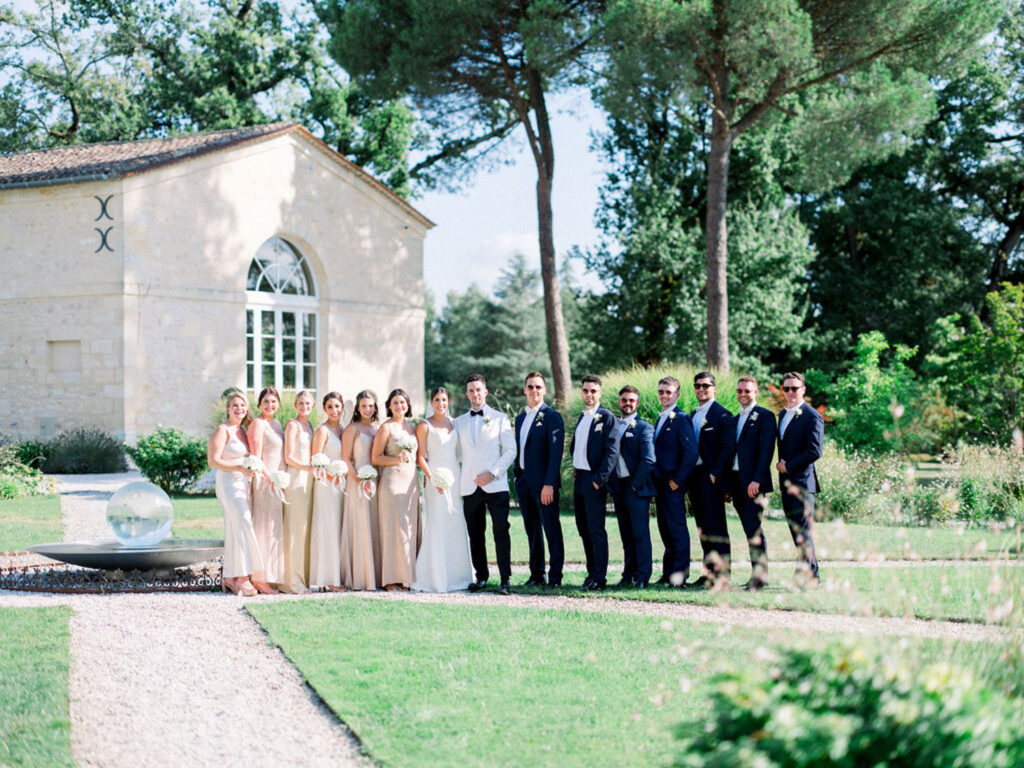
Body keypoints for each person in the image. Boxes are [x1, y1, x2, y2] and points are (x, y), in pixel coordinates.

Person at [453, 374, 516, 595]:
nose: (475, 394)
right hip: (470, 487)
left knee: (501, 532)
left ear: (485, 392)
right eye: (470, 390)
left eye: (478, 389)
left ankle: (505, 580)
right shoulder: (458, 422)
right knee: (475, 533)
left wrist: (494, 473)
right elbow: (455, 454)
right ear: (466, 393)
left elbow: (510, 450)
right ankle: (481, 577)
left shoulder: (500, 418)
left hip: (496, 486)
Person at [411, 387, 473, 593]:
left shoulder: (455, 423)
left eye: (444, 400)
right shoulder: (424, 425)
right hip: (434, 478)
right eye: (437, 400)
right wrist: (433, 479)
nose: (440, 404)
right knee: (437, 523)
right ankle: (435, 577)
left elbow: (461, 452)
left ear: (448, 402)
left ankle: (459, 576)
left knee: (455, 523)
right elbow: (420, 457)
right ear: (431, 402)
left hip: (454, 478)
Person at [513, 372, 565, 588]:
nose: (534, 390)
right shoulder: (520, 418)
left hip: (544, 485)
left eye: (538, 387)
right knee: (532, 530)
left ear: (544, 390)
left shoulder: (552, 416)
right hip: (524, 482)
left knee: (551, 530)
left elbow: (556, 454)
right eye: (530, 387)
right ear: (525, 390)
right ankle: (536, 575)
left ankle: (555, 577)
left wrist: (549, 484)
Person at [569, 374, 619, 591]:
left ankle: (600, 577)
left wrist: (599, 480)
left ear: (600, 393)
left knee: (596, 530)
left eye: (593, 391)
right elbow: (577, 446)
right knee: (583, 528)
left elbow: (612, 452)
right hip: (579, 479)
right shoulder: (582, 417)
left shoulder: (606, 418)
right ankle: (591, 574)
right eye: (585, 390)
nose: (589, 394)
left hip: (594, 480)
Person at [208, 392, 261, 596]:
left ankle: (229, 577)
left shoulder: (243, 431)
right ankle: (243, 578)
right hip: (228, 483)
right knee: (243, 523)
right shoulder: (222, 431)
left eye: (243, 405)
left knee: (234, 527)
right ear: (228, 408)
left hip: (243, 484)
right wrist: (239, 467)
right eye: (235, 405)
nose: (239, 409)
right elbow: (213, 461)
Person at [687, 372, 736, 588]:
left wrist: (715, 474)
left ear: (714, 388)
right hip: (694, 477)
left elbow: (728, 449)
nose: (701, 389)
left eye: (706, 385)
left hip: (712, 476)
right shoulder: (692, 414)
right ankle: (708, 573)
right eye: (697, 385)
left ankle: (722, 575)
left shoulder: (723, 415)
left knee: (716, 527)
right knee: (702, 526)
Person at [727, 376, 776, 590]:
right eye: (739, 391)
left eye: (747, 391)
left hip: (753, 483)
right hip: (736, 481)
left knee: (754, 529)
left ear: (755, 391)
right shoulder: (735, 417)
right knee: (748, 530)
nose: (743, 395)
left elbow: (767, 451)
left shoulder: (765, 416)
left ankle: (760, 576)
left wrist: (757, 479)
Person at [776, 372, 823, 586]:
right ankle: (807, 574)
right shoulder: (782, 414)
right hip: (786, 482)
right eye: (786, 388)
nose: (790, 392)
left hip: (803, 482)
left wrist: (788, 465)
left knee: (803, 530)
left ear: (803, 389)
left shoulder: (812, 415)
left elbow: (815, 451)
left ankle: (809, 576)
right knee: (796, 530)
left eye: (794, 388)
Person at [372, 388, 420, 591]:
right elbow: (376, 457)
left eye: (403, 402)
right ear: (389, 406)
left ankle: (406, 576)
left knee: (409, 529)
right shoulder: (386, 428)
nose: (400, 406)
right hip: (392, 484)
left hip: (411, 484)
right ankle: (391, 578)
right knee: (394, 530)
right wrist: (396, 458)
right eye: (395, 403)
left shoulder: (411, 427)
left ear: (408, 405)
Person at [652, 376, 699, 587]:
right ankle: (668, 573)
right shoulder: (659, 418)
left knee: (678, 530)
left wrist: (678, 480)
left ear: (677, 395)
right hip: (659, 484)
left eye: (668, 392)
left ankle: (679, 577)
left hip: (673, 485)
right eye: (661, 391)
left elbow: (691, 453)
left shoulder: (681, 419)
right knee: (665, 529)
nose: (664, 395)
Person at [607, 385, 656, 589]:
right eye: (624, 399)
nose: (627, 403)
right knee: (626, 534)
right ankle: (628, 574)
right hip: (619, 487)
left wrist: (635, 485)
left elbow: (648, 459)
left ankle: (643, 576)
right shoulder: (613, 426)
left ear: (637, 403)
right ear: (619, 402)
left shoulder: (644, 428)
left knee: (640, 533)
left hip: (636, 488)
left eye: (631, 400)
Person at [247, 386, 286, 593]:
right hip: (265, 482)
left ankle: (271, 574)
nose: (270, 405)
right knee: (262, 527)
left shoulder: (277, 424)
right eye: (266, 402)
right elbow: (256, 456)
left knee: (274, 528)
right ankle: (259, 577)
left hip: (278, 482)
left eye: (273, 401)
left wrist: (280, 480)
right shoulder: (257, 424)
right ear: (259, 404)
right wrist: (269, 478)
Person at [340, 390, 380, 590]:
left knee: (374, 525)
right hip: (357, 481)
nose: (367, 409)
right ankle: (360, 577)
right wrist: (359, 479)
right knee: (360, 524)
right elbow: (345, 458)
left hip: (375, 481)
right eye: (363, 405)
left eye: (370, 405)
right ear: (357, 407)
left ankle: (376, 574)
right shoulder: (352, 429)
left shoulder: (377, 427)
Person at [309, 391, 345, 591]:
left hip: (341, 485)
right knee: (328, 529)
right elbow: (316, 462)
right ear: (324, 409)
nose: (334, 410)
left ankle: (335, 576)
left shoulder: (342, 429)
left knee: (338, 529)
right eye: (330, 407)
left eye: (337, 406)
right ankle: (326, 579)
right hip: (326, 485)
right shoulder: (322, 431)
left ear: (342, 408)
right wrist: (333, 477)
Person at [282, 390, 315, 594]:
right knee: (295, 529)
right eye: (301, 403)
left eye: (308, 403)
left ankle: (305, 576)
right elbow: (288, 457)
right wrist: (306, 468)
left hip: (309, 481)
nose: (304, 407)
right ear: (295, 405)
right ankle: (292, 581)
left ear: (313, 406)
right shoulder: (292, 426)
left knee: (305, 530)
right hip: (296, 478)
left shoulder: (310, 426)